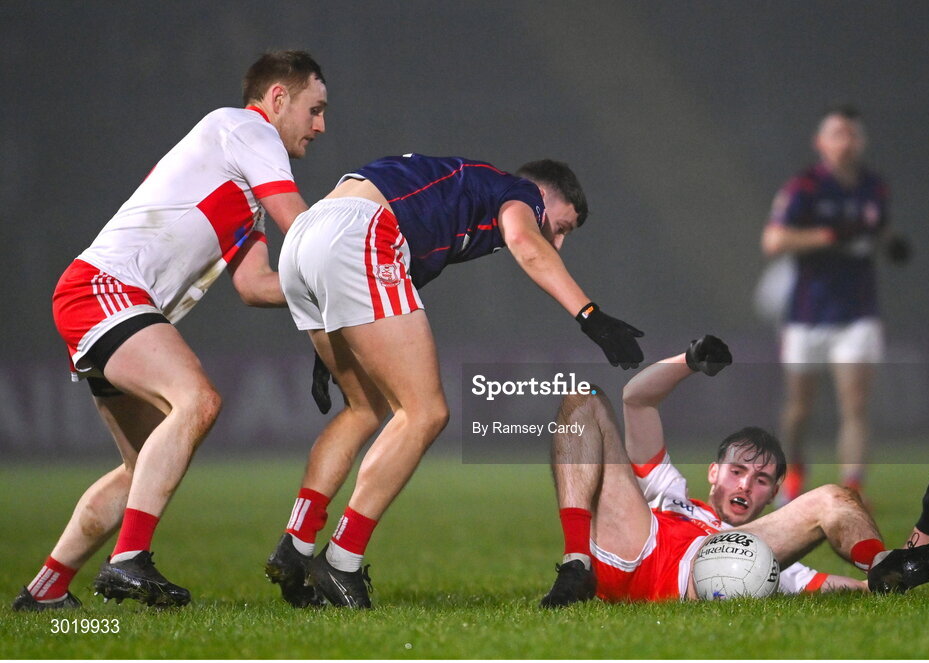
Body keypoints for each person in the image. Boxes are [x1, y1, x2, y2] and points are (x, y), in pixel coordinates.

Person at [11, 51, 328, 611]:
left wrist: (325, 297)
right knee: (198, 400)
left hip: (104, 296)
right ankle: (129, 561)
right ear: (277, 99)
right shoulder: (246, 128)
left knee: (141, 467)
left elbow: (256, 284)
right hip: (106, 289)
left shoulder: (243, 181)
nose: (321, 126)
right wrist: (359, 271)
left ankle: (46, 592)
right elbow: (301, 227)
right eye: (314, 109)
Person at [265, 154, 645, 609]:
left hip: (305, 238)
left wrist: (330, 324)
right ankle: (341, 560)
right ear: (544, 196)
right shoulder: (519, 193)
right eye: (562, 226)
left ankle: (297, 541)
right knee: (425, 413)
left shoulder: (457, 194)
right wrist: (591, 316)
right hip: (357, 233)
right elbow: (526, 241)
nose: (558, 243)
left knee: (364, 407)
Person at [539, 335, 929, 607]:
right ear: (713, 472)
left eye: (762, 480)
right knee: (584, 398)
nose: (746, 484)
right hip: (633, 541)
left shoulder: (764, 562)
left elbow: (873, 591)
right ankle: (576, 561)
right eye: (738, 470)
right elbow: (637, 399)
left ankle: (880, 556)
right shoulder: (667, 489)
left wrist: (925, 530)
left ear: (773, 495)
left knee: (834, 497)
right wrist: (688, 361)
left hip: (713, 569)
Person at [761, 104, 912, 504]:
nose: (844, 142)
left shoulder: (873, 187)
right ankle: (793, 473)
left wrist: (891, 241)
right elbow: (774, 241)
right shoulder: (804, 187)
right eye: (836, 134)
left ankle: (852, 489)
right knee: (799, 408)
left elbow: (878, 228)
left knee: (856, 403)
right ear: (820, 142)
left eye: (851, 134)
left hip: (858, 312)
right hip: (807, 313)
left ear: (861, 141)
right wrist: (827, 236)